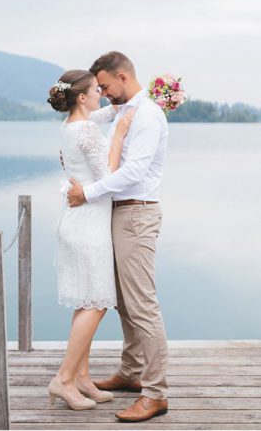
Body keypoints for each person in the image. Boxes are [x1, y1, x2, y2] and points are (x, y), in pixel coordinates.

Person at [67, 51, 170, 422]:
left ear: (123, 77)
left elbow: (132, 171)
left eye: (106, 86)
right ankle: (131, 373)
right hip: (120, 213)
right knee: (125, 302)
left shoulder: (147, 116)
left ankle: (155, 393)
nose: (104, 93)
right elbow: (85, 116)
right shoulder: (126, 110)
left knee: (142, 304)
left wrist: (87, 193)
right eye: (99, 89)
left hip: (137, 213)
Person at [46, 69, 135, 411]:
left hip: (76, 222)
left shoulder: (70, 125)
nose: (101, 93)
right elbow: (109, 176)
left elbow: (100, 113)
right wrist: (120, 135)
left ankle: (81, 377)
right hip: (88, 226)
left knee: (87, 300)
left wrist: (124, 106)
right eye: (97, 90)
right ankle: (65, 379)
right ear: (82, 97)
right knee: (97, 302)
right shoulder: (85, 131)